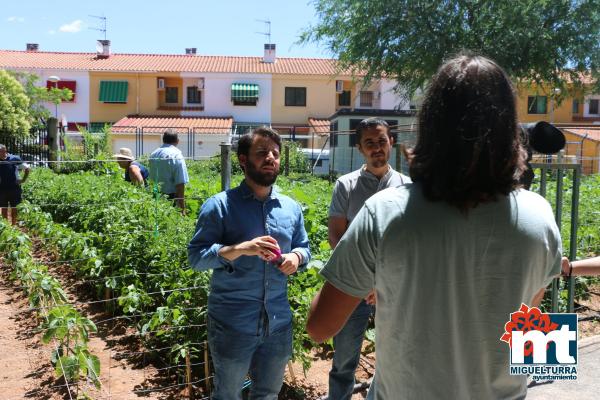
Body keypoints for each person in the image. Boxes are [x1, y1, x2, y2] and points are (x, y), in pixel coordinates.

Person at [307, 54, 562, 399]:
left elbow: (320, 327)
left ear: (430, 123)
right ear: (508, 126)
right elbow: (529, 317)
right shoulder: (539, 216)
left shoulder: (384, 212)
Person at [188, 127, 311, 400]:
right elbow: (196, 258)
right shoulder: (219, 206)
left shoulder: (290, 208)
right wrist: (240, 249)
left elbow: (305, 248)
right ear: (243, 160)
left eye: (275, 153)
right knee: (228, 394)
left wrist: (296, 257)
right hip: (233, 324)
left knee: (267, 394)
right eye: (262, 153)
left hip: (278, 324)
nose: (270, 158)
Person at [327, 118, 410, 400]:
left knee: (395, 357)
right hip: (354, 288)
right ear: (360, 148)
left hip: (395, 289)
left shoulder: (407, 187)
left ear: (392, 144)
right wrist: (365, 282)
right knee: (344, 360)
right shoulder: (346, 186)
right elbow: (336, 237)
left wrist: (383, 282)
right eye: (370, 143)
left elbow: (412, 241)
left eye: (382, 141)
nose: (377, 148)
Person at [149, 131, 189, 211]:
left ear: (163, 140)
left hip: (155, 196)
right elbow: (180, 183)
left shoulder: (153, 154)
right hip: (171, 199)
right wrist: (182, 208)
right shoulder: (176, 155)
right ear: (177, 141)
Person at [0, 144, 30, 225]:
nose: (1, 153)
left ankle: (13, 226)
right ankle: (6, 228)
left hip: (14, 188)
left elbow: (27, 168)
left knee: (14, 208)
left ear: (5, 150)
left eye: (2, 151)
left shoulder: (14, 158)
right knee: (3, 209)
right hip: (2, 189)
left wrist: (23, 180)